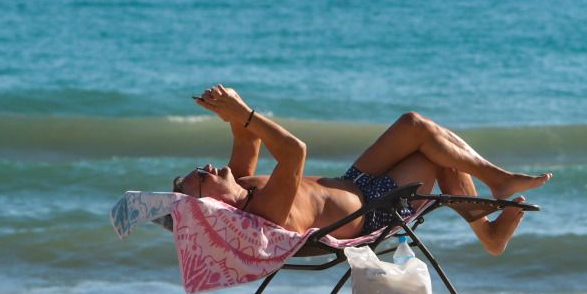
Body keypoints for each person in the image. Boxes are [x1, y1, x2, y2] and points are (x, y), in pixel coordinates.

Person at [172, 85, 549, 255]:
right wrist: (247, 114)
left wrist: (230, 110)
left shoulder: (240, 188)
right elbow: (294, 152)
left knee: (416, 124)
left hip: (354, 183)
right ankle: (492, 216)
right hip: (372, 208)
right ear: (212, 205)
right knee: (436, 153)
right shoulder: (265, 209)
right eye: (201, 176)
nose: (206, 167)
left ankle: (494, 198)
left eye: (198, 168)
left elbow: (247, 140)